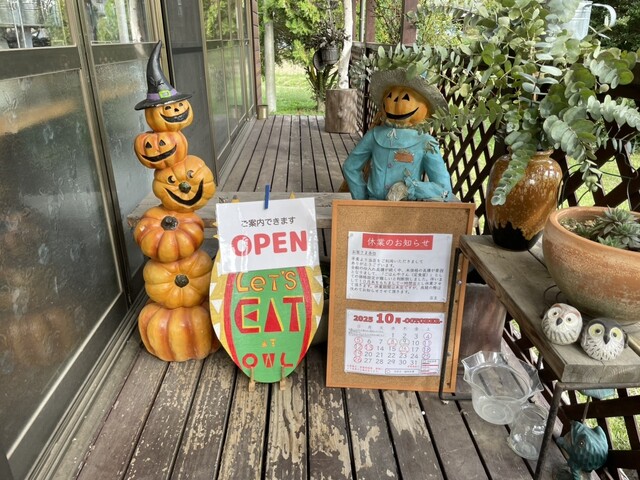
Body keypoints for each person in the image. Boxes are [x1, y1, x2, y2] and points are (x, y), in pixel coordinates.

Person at [342, 68, 456, 201]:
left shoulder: (425, 142)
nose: (395, 101)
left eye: (406, 98)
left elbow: (444, 190)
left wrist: (410, 188)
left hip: (407, 209)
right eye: (390, 96)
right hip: (373, 205)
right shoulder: (374, 135)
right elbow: (350, 167)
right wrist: (361, 198)